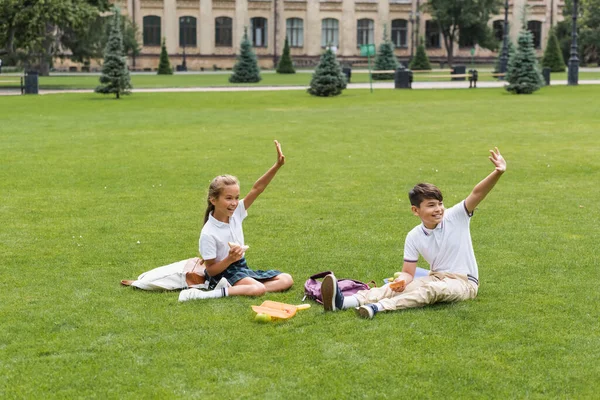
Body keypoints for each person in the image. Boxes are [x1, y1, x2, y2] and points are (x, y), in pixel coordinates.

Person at [321, 147, 507, 318]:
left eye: (440, 204)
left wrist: (498, 172)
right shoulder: (413, 236)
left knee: (432, 291)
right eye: (431, 205)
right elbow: (408, 273)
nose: (439, 209)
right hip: (435, 276)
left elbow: (477, 193)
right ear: (415, 210)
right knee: (395, 287)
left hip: (464, 283)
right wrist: (402, 281)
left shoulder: (455, 216)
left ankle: (379, 307)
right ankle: (345, 302)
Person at [179, 140, 293, 302]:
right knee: (258, 288)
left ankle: (246, 289)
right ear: (213, 200)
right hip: (223, 273)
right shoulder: (208, 232)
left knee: (286, 279)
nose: (234, 203)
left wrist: (277, 166)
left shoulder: (236, 212)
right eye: (228, 198)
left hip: (240, 268)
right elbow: (211, 271)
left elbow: (257, 188)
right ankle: (209, 294)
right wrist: (230, 259)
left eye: (236, 198)